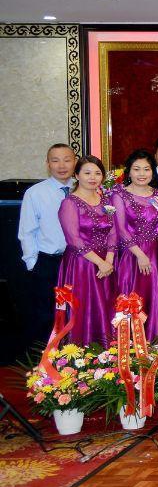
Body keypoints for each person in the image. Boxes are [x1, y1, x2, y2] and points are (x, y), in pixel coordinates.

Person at [18, 143, 76, 349]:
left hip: (80, 261)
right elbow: (26, 231)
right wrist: (33, 263)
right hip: (50, 262)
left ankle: (76, 356)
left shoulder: (84, 187)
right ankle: (47, 360)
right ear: (47, 164)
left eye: (67, 160)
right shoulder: (35, 193)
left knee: (77, 311)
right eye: (55, 160)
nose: (62, 165)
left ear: (75, 162)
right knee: (48, 314)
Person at [58, 155, 117, 345]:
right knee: (84, 307)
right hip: (82, 264)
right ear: (76, 175)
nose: (93, 177)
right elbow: (74, 240)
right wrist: (100, 263)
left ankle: (107, 351)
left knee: (106, 306)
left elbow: (113, 231)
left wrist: (109, 260)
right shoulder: (69, 203)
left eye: (97, 173)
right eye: (87, 173)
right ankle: (81, 352)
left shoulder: (106, 200)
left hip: (107, 263)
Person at [113, 149, 158, 339]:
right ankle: (129, 343)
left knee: (157, 297)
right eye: (136, 169)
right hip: (131, 255)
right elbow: (121, 229)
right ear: (128, 171)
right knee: (133, 296)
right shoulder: (119, 195)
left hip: (157, 254)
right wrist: (140, 255)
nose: (141, 174)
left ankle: (156, 340)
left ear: (152, 172)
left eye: (146, 169)